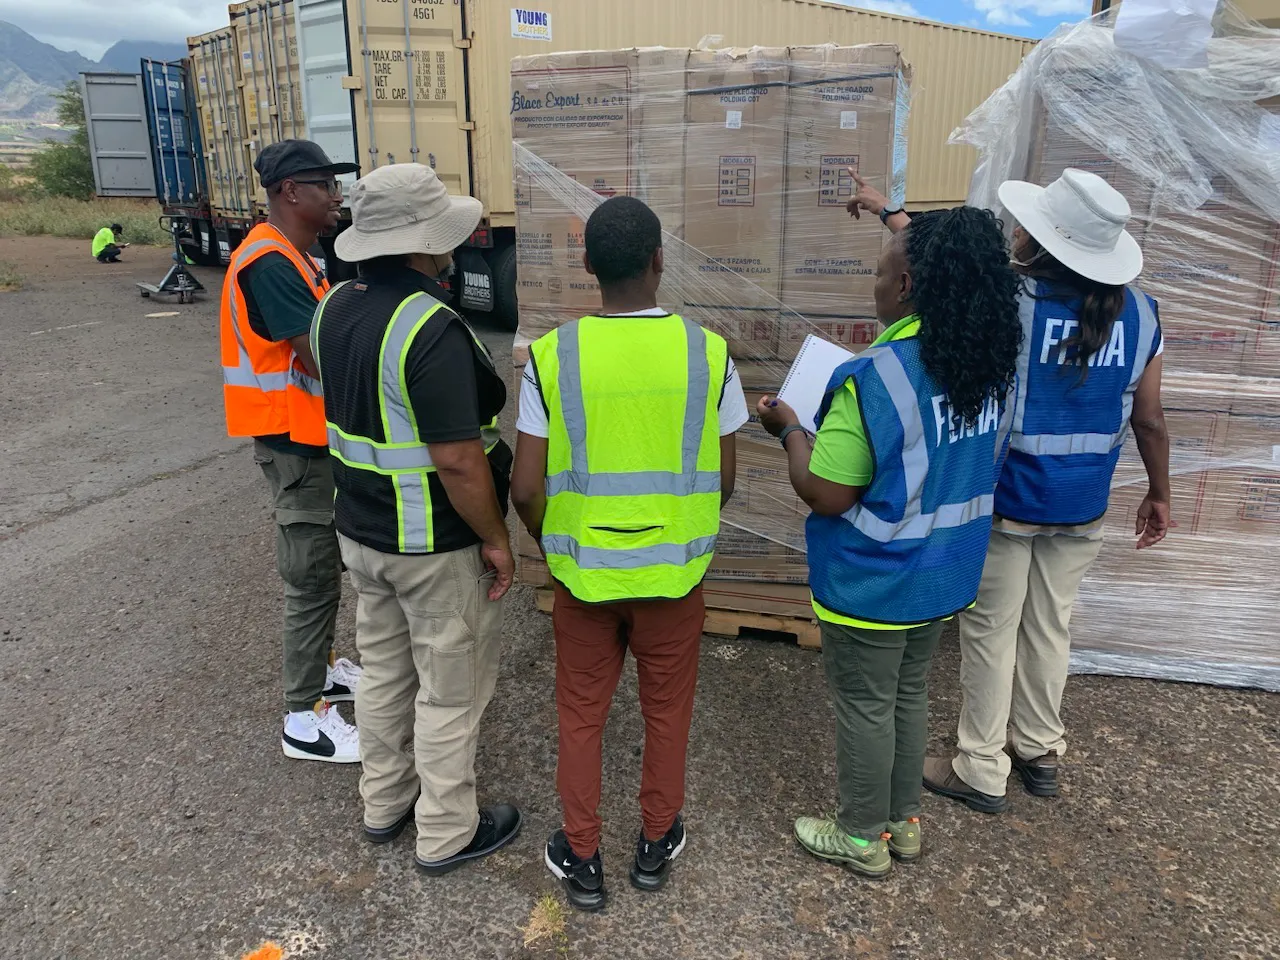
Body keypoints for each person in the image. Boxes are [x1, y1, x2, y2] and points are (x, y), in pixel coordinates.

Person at [758, 205, 1022, 878]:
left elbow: (828, 492)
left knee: (867, 706)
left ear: (904, 285)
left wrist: (790, 431)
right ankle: (903, 822)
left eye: (879, 272)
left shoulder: (875, 376)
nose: (872, 284)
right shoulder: (983, 364)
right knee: (907, 697)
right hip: (942, 575)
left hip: (874, 579)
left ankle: (858, 835)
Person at [510, 196, 748, 911]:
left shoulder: (554, 357)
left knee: (581, 717)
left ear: (588, 267)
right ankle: (654, 842)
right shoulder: (709, 353)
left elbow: (524, 486)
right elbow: (727, 478)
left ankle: (582, 857)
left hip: (583, 580)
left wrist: (552, 548)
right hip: (674, 580)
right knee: (666, 713)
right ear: (658, 261)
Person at [914, 169, 1170, 811]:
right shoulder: (1141, 312)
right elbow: (1149, 418)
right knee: (1051, 626)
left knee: (991, 630)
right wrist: (1158, 493)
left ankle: (979, 765)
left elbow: (949, 285)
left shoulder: (1013, 302)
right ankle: (1037, 748)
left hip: (1009, 498)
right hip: (1083, 502)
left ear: (1042, 240)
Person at [311, 163, 522, 874]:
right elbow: (460, 460)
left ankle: (384, 804)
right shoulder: (429, 326)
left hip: (362, 537)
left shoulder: (333, 308)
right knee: (449, 695)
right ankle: (445, 833)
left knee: (384, 677)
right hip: (431, 546)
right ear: (424, 245)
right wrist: (497, 540)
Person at [219, 139, 364, 763]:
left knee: (325, 568)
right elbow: (316, 352)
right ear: (289, 193)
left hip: (310, 438)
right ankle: (303, 717)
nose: (336, 197)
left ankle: (324, 670)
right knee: (309, 578)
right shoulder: (270, 263)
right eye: (325, 185)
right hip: (293, 442)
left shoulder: (300, 257)